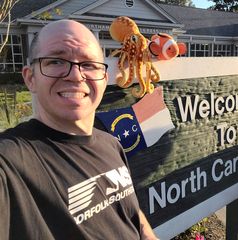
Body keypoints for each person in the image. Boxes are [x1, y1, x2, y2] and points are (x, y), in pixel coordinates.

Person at [0, 19, 158, 240]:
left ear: (104, 79)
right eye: (56, 61)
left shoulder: (110, 144)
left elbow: (129, 211)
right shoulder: (11, 163)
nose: (75, 76)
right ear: (30, 78)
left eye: (89, 64)